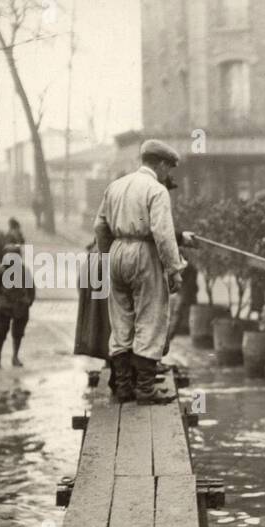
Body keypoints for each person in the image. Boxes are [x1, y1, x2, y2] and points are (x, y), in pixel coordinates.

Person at [92, 138, 188, 404]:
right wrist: (174, 269)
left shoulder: (116, 186)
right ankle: (145, 389)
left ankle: (124, 387)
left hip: (117, 251)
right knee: (151, 317)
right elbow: (163, 233)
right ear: (159, 164)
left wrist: (106, 256)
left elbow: (100, 226)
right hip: (144, 252)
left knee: (121, 319)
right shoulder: (156, 190)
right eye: (168, 168)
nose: (168, 174)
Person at [0, 243, 35, 368]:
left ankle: (15, 357)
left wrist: (29, 301)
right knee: (0, 333)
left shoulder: (24, 270)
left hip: (21, 306)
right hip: (4, 307)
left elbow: (31, 288)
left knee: (18, 333)